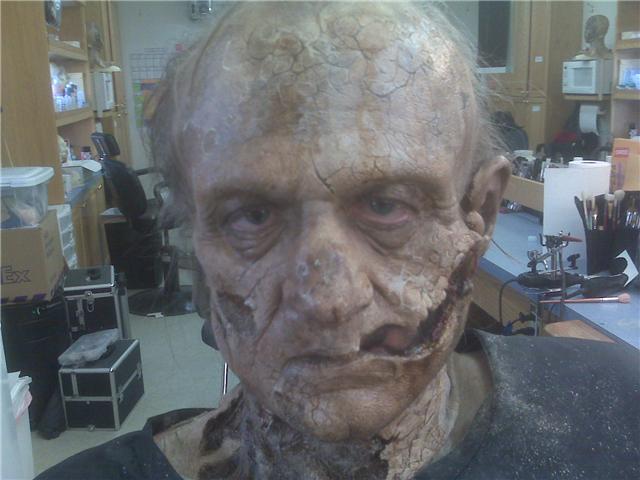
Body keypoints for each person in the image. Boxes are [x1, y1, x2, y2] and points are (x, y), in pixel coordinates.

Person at [37, 3, 639, 479]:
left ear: (479, 213)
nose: (328, 301)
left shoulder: (620, 410)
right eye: (252, 216)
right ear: (194, 238)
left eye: (386, 206)